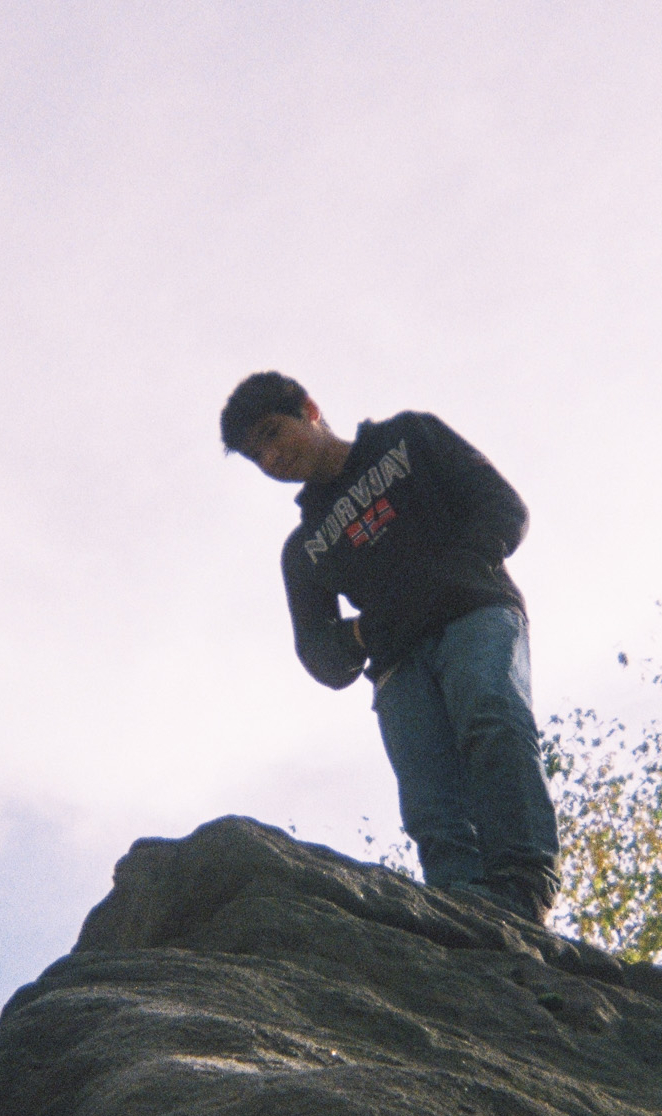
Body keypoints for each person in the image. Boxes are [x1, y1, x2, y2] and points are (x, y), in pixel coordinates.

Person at [221, 371, 560, 922]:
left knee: (492, 719)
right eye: (257, 455)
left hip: (475, 614)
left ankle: (524, 886)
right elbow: (319, 656)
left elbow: (504, 510)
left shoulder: (409, 439)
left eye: (273, 433)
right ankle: (463, 911)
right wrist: (367, 632)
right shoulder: (305, 547)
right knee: (429, 797)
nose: (271, 457)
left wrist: (444, 578)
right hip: (399, 665)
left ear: (309, 409)